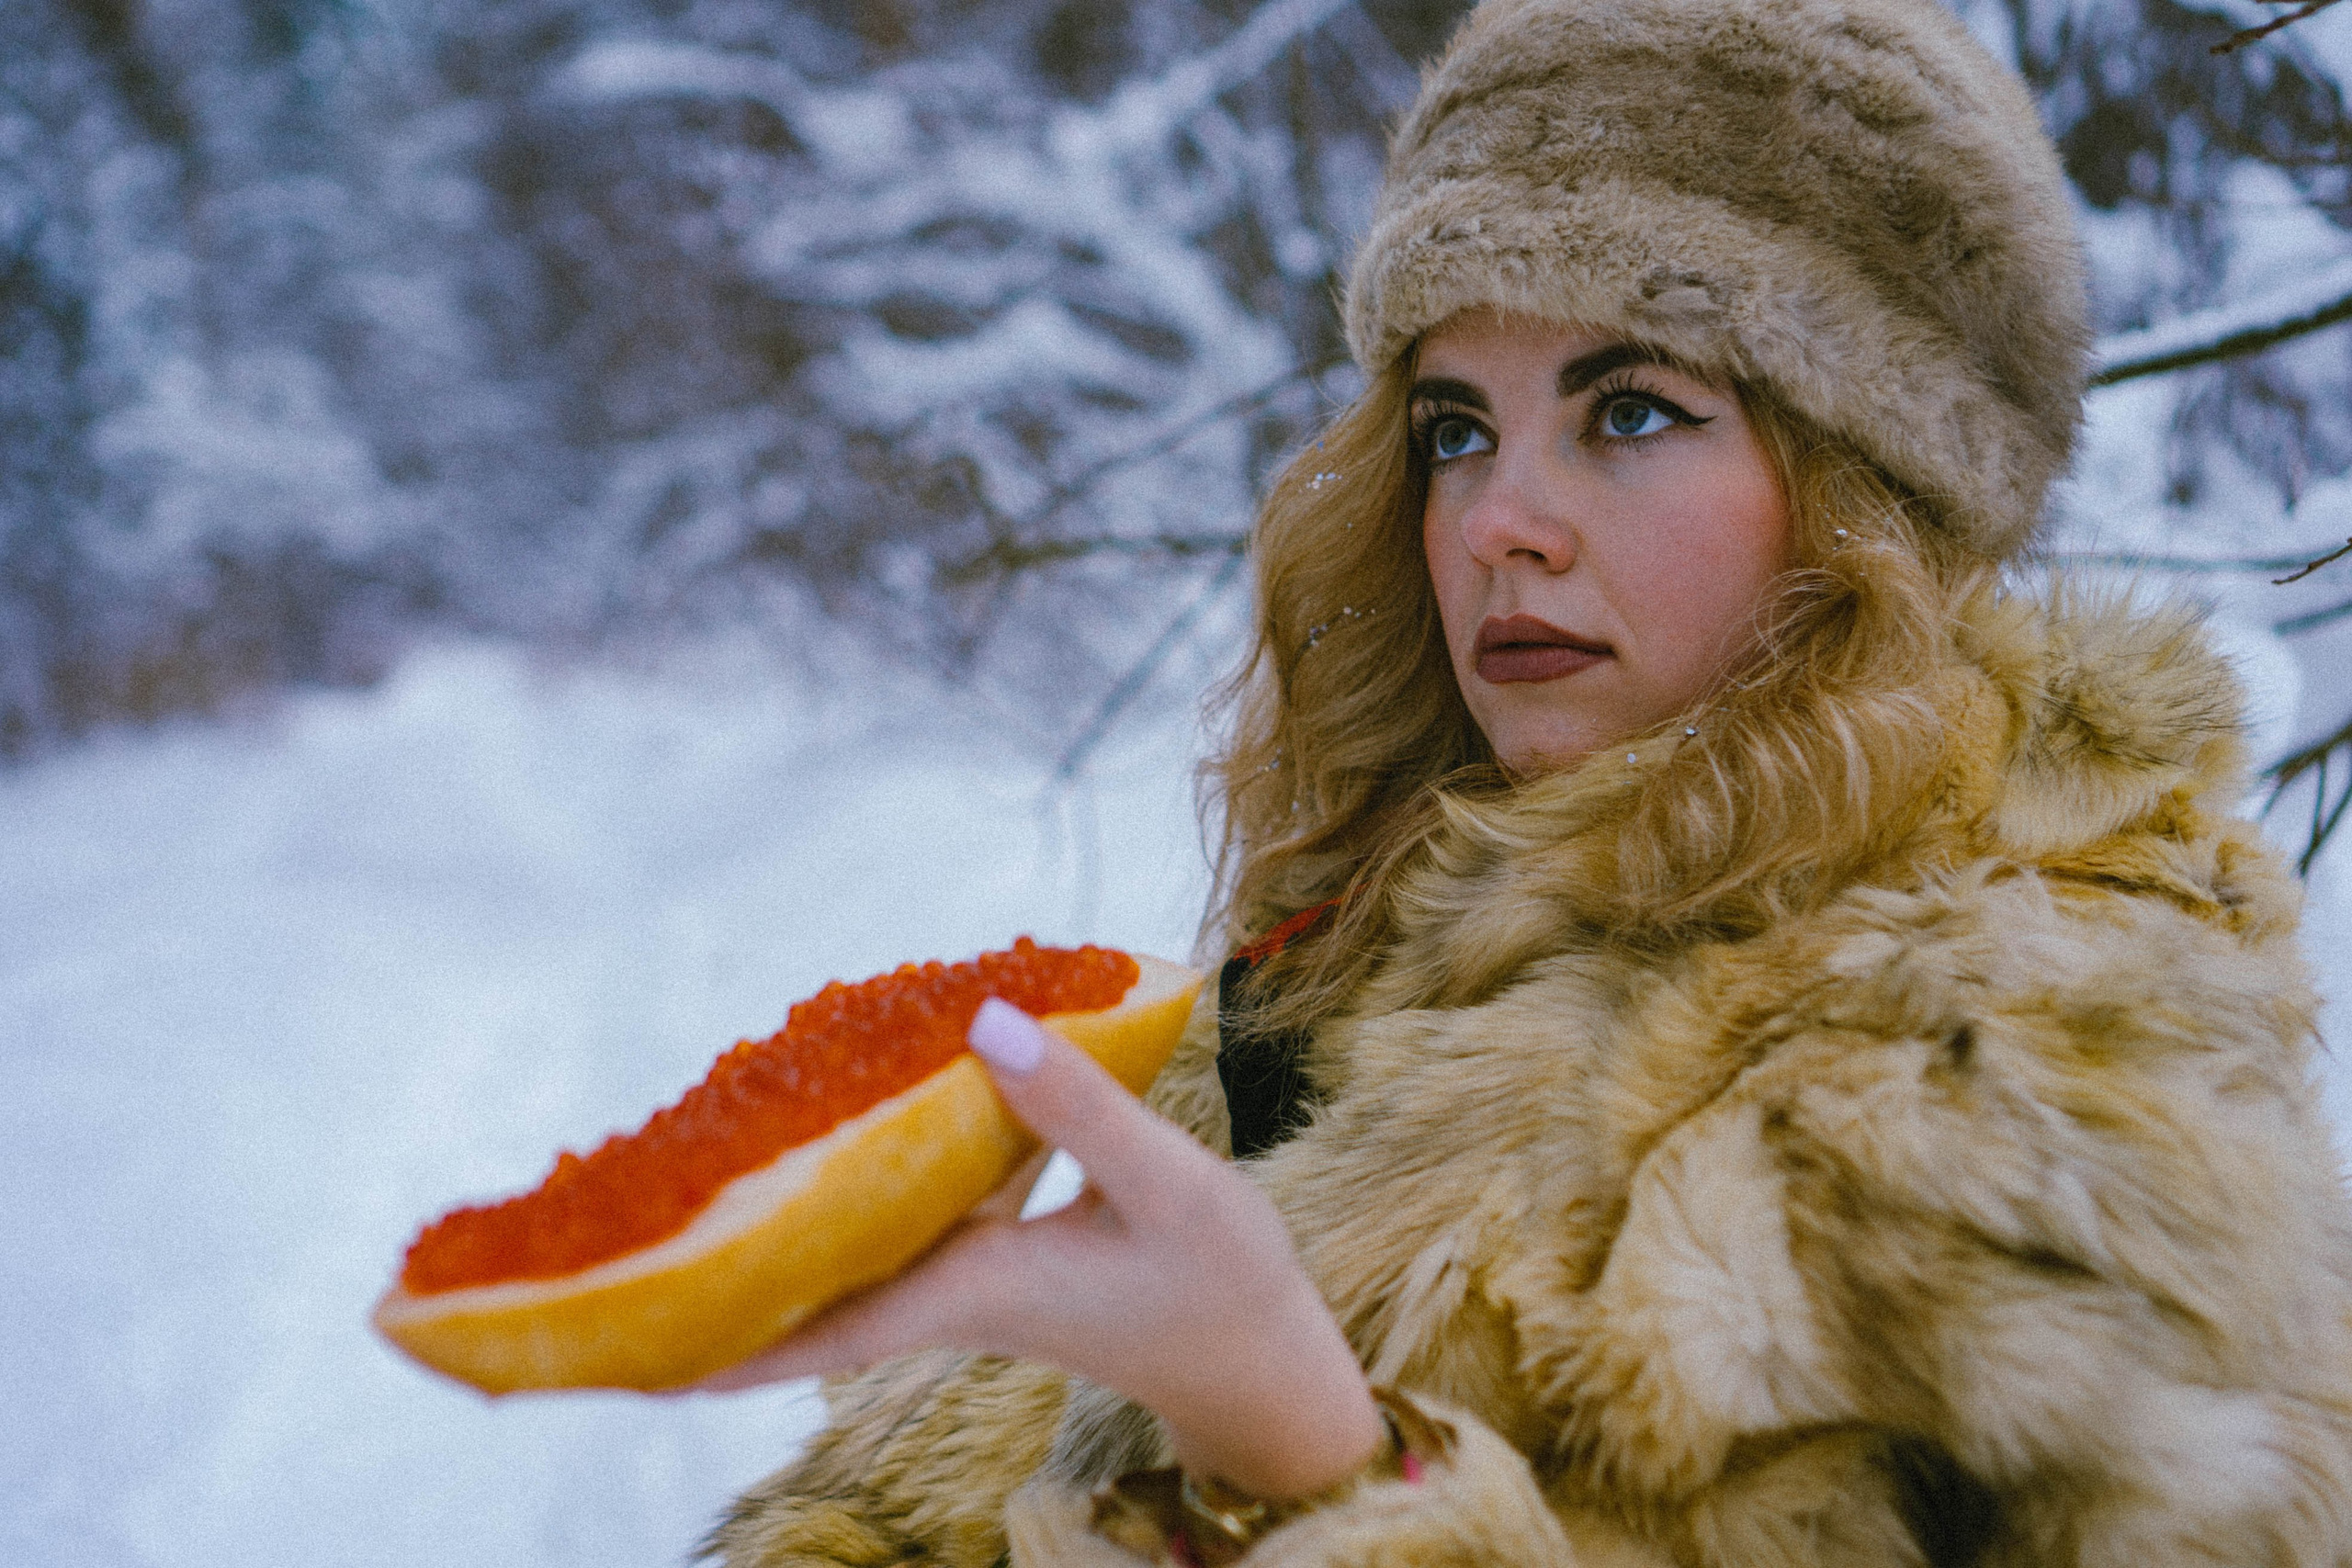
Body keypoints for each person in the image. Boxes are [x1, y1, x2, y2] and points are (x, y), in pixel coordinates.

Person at [699, 0, 2352, 1561]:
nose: (1500, 520)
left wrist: (1298, 1461)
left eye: (1631, 410)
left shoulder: (2036, 1079)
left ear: (1874, 490)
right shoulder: (1365, 955)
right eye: (1455, 428)